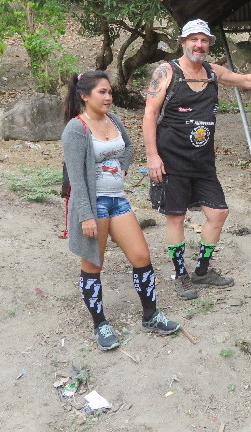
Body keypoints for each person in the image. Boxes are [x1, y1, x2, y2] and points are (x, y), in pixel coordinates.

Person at [143, 19, 251, 299]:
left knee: (218, 213)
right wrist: (152, 156)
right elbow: (150, 113)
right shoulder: (167, 71)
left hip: (202, 161)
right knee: (176, 217)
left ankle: (202, 271)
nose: (199, 45)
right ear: (183, 42)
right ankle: (180, 275)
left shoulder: (213, 72)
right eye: (193, 39)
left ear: (209, 44)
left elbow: (245, 81)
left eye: (204, 40)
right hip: (171, 159)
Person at [62, 70, 181, 352]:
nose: (108, 97)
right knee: (93, 264)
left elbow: (127, 146)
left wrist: (123, 168)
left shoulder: (112, 119)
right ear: (84, 96)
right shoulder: (76, 129)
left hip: (118, 200)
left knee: (141, 256)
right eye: (102, 92)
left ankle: (151, 316)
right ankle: (100, 324)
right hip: (94, 204)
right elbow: (76, 178)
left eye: (110, 92)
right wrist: (86, 216)